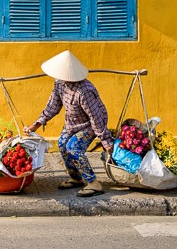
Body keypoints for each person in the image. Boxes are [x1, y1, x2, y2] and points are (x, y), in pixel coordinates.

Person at [23, 50, 114, 197]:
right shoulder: (59, 83)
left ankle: (93, 183)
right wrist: (37, 124)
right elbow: (53, 105)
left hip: (90, 124)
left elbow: (96, 117)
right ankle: (76, 177)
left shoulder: (84, 91)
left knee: (73, 148)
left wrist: (106, 140)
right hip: (72, 123)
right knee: (62, 143)